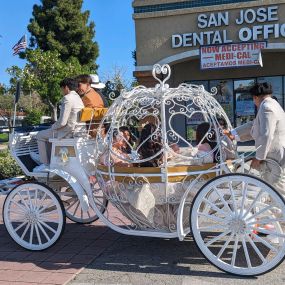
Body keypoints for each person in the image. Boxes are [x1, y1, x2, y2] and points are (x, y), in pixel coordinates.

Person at [229, 82, 285, 196]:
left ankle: (280, 212)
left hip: (275, 158)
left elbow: (266, 135)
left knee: (277, 192)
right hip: (278, 154)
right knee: (276, 191)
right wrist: (233, 133)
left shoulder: (266, 107)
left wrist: (258, 158)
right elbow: (255, 126)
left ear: (255, 97)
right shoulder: (274, 104)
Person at [34, 78, 84, 171]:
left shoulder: (67, 98)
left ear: (66, 87)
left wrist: (53, 127)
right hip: (78, 130)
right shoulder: (78, 98)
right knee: (48, 135)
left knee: (40, 135)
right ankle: (49, 158)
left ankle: (45, 163)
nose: (61, 91)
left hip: (68, 131)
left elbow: (62, 122)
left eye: (61, 89)